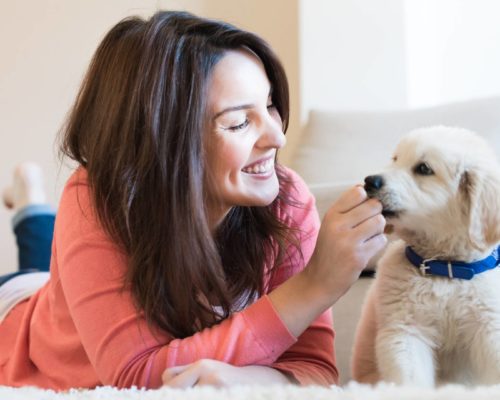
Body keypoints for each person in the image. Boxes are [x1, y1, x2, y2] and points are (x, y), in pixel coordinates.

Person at [0, 11, 386, 390]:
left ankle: (30, 206)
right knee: (42, 274)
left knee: (53, 276)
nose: (277, 138)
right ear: (162, 140)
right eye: (238, 122)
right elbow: (136, 379)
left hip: (65, 290)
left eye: (269, 105)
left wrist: (246, 380)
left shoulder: (286, 198)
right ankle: (30, 207)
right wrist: (313, 285)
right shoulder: (99, 194)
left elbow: (315, 370)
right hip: (17, 330)